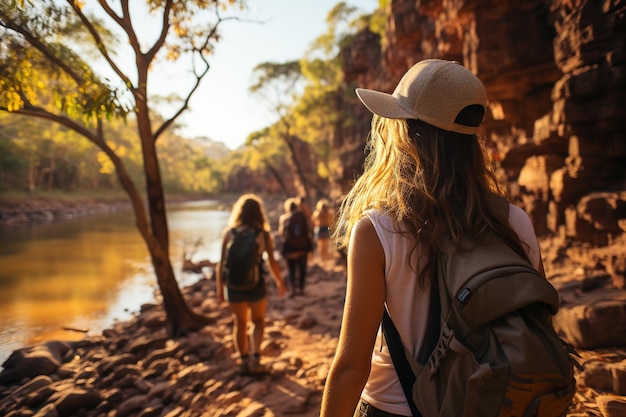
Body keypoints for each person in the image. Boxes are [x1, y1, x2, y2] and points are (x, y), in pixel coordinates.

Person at [320, 59, 546, 416]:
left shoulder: (378, 229)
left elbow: (351, 367)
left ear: (405, 134)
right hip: (491, 402)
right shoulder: (515, 221)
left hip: (395, 408)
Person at [216, 194, 285, 375]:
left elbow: (221, 263)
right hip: (256, 286)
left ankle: (243, 360)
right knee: (258, 321)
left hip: (233, 286)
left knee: (239, 322)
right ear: (259, 213)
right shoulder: (263, 234)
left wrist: (220, 289)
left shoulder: (229, 234)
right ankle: (255, 358)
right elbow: (271, 261)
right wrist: (280, 282)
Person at [278, 197, 310, 297]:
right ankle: (301, 289)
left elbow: (282, 233)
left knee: (291, 269)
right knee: (302, 268)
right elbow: (309, 229)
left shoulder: (284, 218)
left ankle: (293, 289)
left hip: (290, 249)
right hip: (303, 247)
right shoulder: (302, 216)